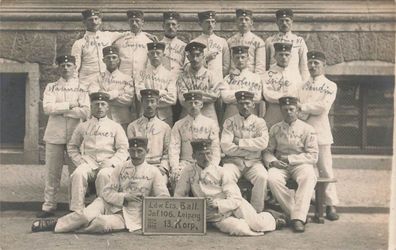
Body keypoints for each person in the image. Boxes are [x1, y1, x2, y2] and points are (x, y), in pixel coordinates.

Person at [31, 137, 170, 234]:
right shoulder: (121, 167)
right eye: (132, 151)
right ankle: (54, 225)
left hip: (132, 215)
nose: (136, 154)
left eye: (140, 151)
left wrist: (147, 201)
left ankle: (69, 226)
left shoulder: (154, 172)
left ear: (147, 151)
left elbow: (163, 196)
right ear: (128, 151)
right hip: (108, 204)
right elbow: (106, 193)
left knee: (102, 224)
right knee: (85, 216)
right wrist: (125, 196)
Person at [174, 139, 284, 236]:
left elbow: (236, 198)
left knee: (258, 225)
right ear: (193, 156)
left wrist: (218, 204)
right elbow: (179, 195)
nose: (205, 158)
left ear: (212, 154)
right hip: (215, 216)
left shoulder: (221, 171)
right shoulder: (188, 171)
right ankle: (249, 220)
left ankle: (272, 217)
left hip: (234, 205)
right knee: (240, 229)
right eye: (201, 154)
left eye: (208, 153)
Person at [37, 55, 90, 218]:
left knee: (76, 172)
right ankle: (49, 205)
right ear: (58, 67)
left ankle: (75, 206)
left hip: (75, 135)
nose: (66, 68)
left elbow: (86, 111)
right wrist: (70, 105)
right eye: (63, 65)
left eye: (69, 65)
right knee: (52, 172)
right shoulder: (52, 87)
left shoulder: (82, 87)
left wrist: (60, 109)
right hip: (55, 135)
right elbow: (47, 108)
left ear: (75, 67)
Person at [67, 92, 129, 213]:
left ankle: (104, 210)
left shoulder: (115, 126)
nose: (99, 107)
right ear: (91, 106)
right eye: (96, 104)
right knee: (78, 174)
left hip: (107, 163)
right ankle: (77, 210)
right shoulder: (83, 126)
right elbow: (72, 146)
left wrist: (112, 162)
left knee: (104, 175)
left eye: (102, 104)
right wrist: (80, 161)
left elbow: (123, 148)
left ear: (107, 107)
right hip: (88, 163)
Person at [263, 96, 318, 233]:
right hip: (280, 164)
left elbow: (313, 156)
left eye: (291, 109)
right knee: (272, 178)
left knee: (309, 176)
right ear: (281, 111)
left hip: (300, 163)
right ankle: (298, 216)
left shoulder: (307, 129)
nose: (288, 112)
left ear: (297, 110)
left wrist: (291, 159)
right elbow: (267, 151)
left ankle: (297, 218)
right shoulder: (275, 129)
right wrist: (273, 161)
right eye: (285, 109)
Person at [298, 51, 339, 221]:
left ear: (323, 65)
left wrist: (304, 107)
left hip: (321, 132)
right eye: (311, 63)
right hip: (303, 132)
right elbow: (296, 107)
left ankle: (330, 205)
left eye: (316, 63)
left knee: (325, 169)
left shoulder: (330, 85)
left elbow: (323, 107)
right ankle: (307, 204)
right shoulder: (302, 85)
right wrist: (305, 109)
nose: (313, 66)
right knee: (304, 169)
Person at [221, 91, 269, 213]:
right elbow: (226, 147)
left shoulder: (260, 122)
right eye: (241, 104)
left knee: (262, 176)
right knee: (226, 175)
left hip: (254, 162)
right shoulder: (229, 122)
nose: (244, 106)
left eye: (247, 103)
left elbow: (263, 144)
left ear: (253, 104)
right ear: (237, 105)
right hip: (233, 162)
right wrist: (251, 149)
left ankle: (255, 211)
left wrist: (239, 142)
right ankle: (234, 209)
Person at [169, 91, 221, 190]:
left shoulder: (210, 123)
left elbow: (215, 147)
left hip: (205, 163)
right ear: (185, 105)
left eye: (196, 103)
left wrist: (213, 166)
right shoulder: (179, 124)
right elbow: (174, 148)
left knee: (209, 179)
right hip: (185, 162)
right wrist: (174, 167)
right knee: (177, 178)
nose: (193, 106)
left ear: (201, 104)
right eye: (190, 103)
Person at [113, 10, 157, 121]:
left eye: (137, 21)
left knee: (143, 111)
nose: (134, 23)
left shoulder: (149, 41)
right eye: (131, 21)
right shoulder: (120, 42)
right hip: (124, 81)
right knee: (123, 114)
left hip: (142, 80)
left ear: (142, 22)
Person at [71, 9, 125, 89]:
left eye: (96, 19)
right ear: (84, 22)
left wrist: (147, 36)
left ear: (100, 21)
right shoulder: (79, 43)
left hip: (105, 80)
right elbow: (75, 66)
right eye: (90, 20)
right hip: (86, 81)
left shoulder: (108, 36)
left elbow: (128, 34)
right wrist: (74, 83)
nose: (94, 22)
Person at [127, 89, 171, 184]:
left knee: (160, 184)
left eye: (152, 101)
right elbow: (130, 151)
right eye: (146, 101)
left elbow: (167, 152)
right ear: (142, 102)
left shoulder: (165, 127)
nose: (149, 105)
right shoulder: (133, 126)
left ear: (157, 103)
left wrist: (163, 167)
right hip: (138, 165)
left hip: (158, 166)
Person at [88, 45, 134, 131]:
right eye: (108, 58)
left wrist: (103, 97)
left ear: (118, 60)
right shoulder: (97, 78)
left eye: (114, 57)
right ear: (103, 60)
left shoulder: (127, 79)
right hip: (102, 119)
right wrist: (117, 93)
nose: (111, 60)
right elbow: (93, 96)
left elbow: (128, 100)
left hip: (122, 120)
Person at [177, 41, 223, 123]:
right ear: (188, 57)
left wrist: (193, 93)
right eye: (192, 56)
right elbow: (183, 100)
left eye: (198, 55)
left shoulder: (211, 75)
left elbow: (215, 96)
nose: (195, 59)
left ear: (203, 56)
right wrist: (205, 94)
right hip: (188, 116)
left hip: (208, 114)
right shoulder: (182, 77)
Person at [135, 42, 177, 126]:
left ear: (163, 55)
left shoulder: (170, 75)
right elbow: (140, 96)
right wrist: (163, 92)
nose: (155, 55)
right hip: (145, 115)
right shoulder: (140, 74)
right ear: (148, 55)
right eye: (152, 53)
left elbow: (172, 99)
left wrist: (150, 100)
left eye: (158, 53)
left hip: (165, 117)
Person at [262, 42, 302, 129]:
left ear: (290, 57)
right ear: (275, 56)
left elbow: (299, 93)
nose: (284, 57)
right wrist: (286, 97)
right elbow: (268, 94)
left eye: (287, 55)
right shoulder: (268, 74)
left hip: (291, 111)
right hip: (274, 110)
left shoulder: (295, 74)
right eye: (281, 55)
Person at [221, 46, 263, 123]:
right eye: (237, 57)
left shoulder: (255, 77)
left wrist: (234, 93)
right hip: (231, 113)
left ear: (248, 57)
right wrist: (248, 93)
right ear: (233, 59)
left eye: (243, 57)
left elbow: (257, 98)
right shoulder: (227, 78)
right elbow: (225, 98)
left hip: (250, 113)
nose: (240, 60)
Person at [265, 8, 309, 82]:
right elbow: (265, 64)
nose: (284, 23)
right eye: (281, 21)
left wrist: (304, 83)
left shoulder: (299, 41)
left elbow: (304, 66)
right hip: (274, 80)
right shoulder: (269, 41)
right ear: (277, 22)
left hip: (293, 80)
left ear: (292, 21)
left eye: (287, 20)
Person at [192, 11, 230, 82]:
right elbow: (188, 65)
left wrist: (219, 77)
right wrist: (205, 59)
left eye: (212, 22)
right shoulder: (194, 42)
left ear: (215, 24)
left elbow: (226, 66)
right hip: (200, 80)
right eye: (207, 22)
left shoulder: (222, 41)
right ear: (200, 24)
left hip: (217, 80)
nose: (210, 25)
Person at [227, 9, 266, 78]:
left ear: (251, 22)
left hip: (251, 78)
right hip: (234, 77)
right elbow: (228, 63)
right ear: (236, 21)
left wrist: (256, 80)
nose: (243, 22)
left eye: (246, 19)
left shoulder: (258, 41)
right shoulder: (230, 41)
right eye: (241, 19)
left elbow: (260, 66)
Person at [160, 11, 186, 77]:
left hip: (179, 80)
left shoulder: (184, 46)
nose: (171, 27)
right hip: (161, 81)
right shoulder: (158, 45)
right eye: (168, 24)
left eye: (173, 24)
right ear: (163, 26)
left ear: (178, 26)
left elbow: (187, 66)